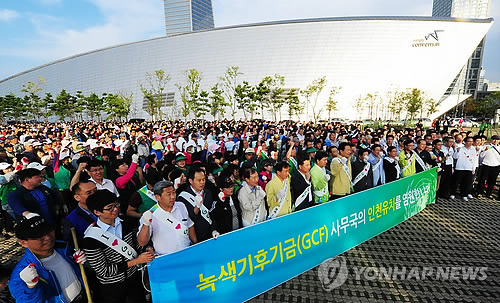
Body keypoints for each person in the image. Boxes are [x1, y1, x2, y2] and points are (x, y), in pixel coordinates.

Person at [82, 190, 154, 303]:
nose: (115, 209)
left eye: (116, 205)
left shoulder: (128, 223)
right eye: (110, 207)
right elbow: (103, 270)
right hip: (112, 286)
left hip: (134, 278)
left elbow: (137, 246)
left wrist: (147, 249)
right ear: (97, 212)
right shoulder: (91, 239)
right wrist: (136, 261)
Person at [9, 214, 87, 303]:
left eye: (49, 231)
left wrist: (76, 259)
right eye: (39, 236)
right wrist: (30, 286)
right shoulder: (20, 275)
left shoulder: (62, 246)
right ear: (23, 243)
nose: (48, 237)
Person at [137, 180, 197, 256]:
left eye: (174, 192)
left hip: (187, 252)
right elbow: (142, 242)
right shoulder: (150, 214)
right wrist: (146, 224)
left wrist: (196, 244)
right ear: (157, 197)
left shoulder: (181, 205)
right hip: (166, 258)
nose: (172, 197)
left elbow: (190, 226)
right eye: (168, 194)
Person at [177, 167, 219, 242]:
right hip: (196, 238)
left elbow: (211, 213)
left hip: (211, 235)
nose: (202, 182)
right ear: (191, 180)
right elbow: (189, 219)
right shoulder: (183, 197)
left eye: (203, 179)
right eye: (199, 180)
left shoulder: (208, 192)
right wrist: (197, 207)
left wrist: (214, 229)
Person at [451, 137, 477, 201]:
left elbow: (474, 159)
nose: (470, 143)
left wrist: (473, 168)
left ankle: (464, 194)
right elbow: (455, 157)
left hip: (468, 168)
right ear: (465, 142)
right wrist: (457, 151)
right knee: (456, 182)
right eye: (468, 141)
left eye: (471, 141)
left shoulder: (473, 149)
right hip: (459, 167)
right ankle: (453, 193)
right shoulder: (461, 148)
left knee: (466, 182)